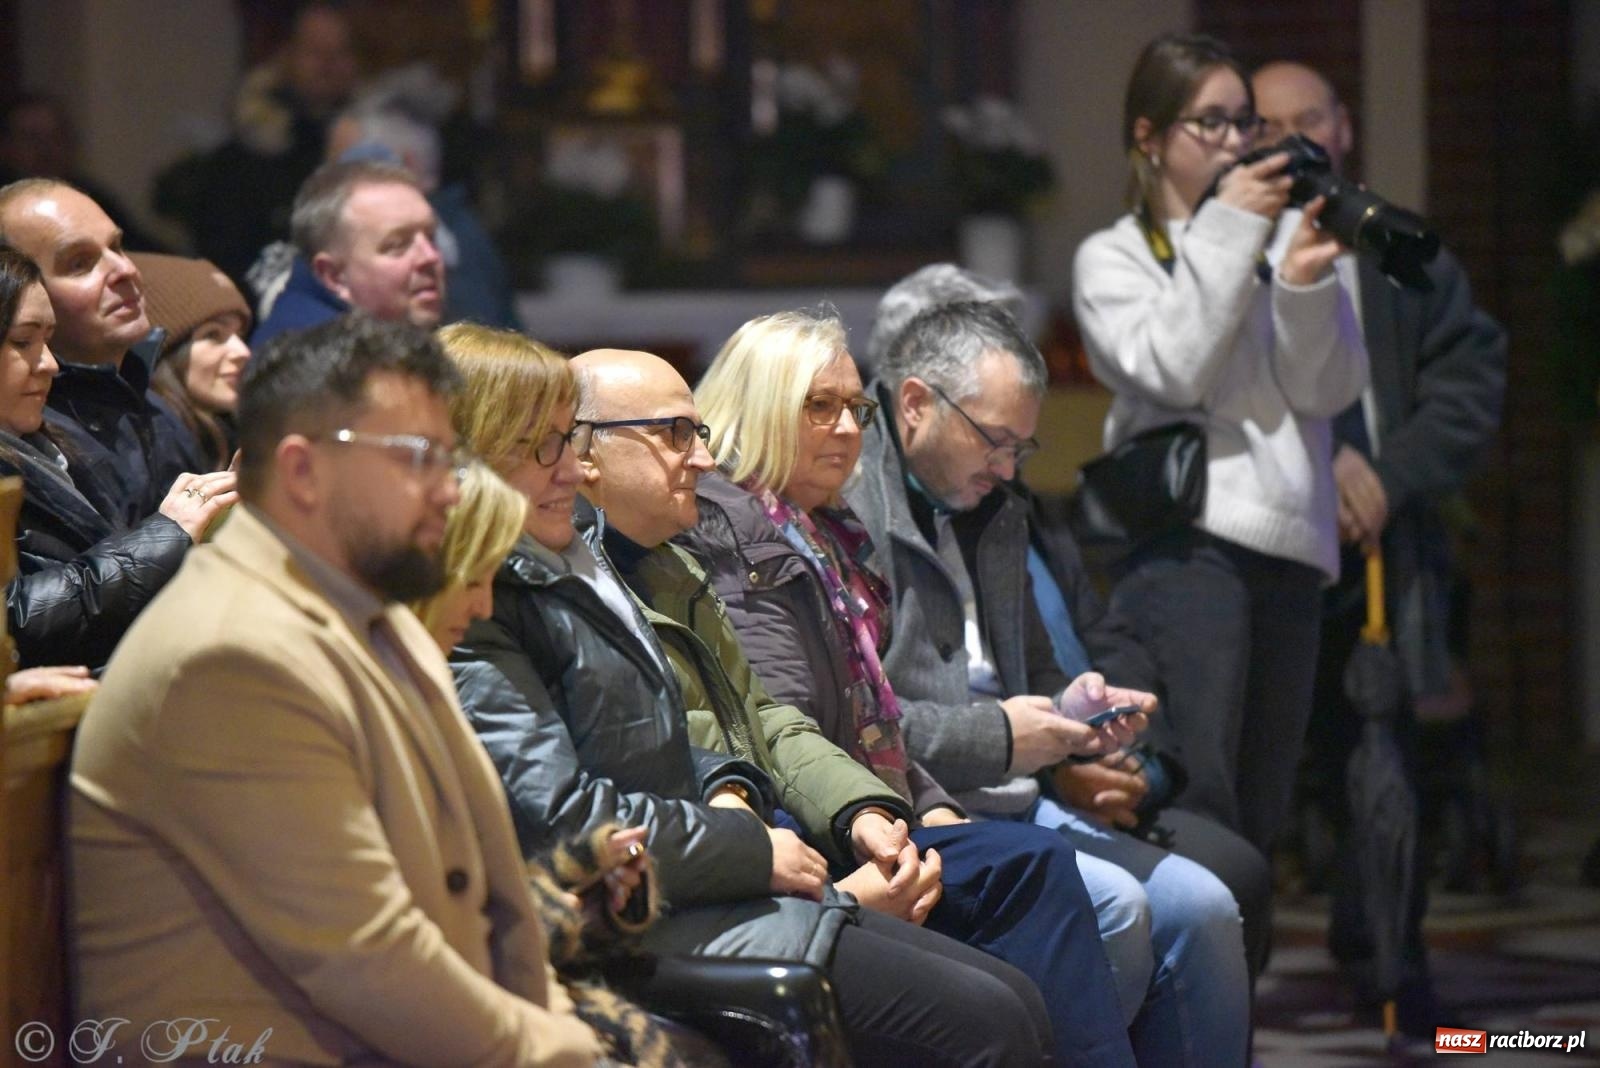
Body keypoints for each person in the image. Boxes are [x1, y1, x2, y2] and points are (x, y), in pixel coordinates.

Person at [443, 323, 1055, 1067]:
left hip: (707, 863)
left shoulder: (598, 563)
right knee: (990, 1012)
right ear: (471, 457)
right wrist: (751, 843)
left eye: (854, 408)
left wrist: (860, 804)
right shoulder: (493, 596)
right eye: (545, 444)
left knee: (1014, 989)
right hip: (648, 908)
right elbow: (564, 818)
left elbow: (717, 727)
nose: (568, 468)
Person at [70, 314, 610, 1067]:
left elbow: (493, 906)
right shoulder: (230, 655)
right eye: (419, 459)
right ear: (303, 472)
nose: (450, 493)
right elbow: (366, 959)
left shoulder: (375, 612)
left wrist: (563, 1031)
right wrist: (559, 1053)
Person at [683, 307, 1167, 1066]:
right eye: (819, 406)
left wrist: (932, 799)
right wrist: (898, 813)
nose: (847, 428)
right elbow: (793, 727)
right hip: (817, 830)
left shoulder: (823, 530)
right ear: (761, 404)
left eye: (854, 408)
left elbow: (866, 711)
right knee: (1038, 879)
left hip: (874, 806)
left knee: (1064, 891)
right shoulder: (736, 535)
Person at [843, 300, 1252, 1063]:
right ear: (914, 404)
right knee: (1121, 910)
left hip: (1016, 790)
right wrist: (1005, 738)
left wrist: (1079, 714)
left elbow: (1033, 670)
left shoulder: (995, 504)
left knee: (1204, 907)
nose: (1006, 467)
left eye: (1020, 449)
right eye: (994, 441)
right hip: (924, 805)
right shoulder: (851, 508)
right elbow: (867, 722)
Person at [1253, 58, 1507, 1028]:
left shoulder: (1397, 245)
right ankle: (1225, 978)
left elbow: (1469, 382)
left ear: (1343, 127)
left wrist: (1385, 477)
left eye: (1309, 119)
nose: (1295, 141)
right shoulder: (1229, 250)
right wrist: (1326, 466)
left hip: (1381, 553)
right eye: (1271, 126)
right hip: (1267, 550)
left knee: (1384, 759)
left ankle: (1391, 967)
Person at [1072, 32, 1367, 856]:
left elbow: (1329, 391)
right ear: (1149, 135)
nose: (1236, 143)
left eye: (1245, 123)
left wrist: (1307, 285)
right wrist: (1233, 235)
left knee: (1263, 811)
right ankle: (1200, 985)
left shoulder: (1284, 236)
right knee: (1204, 805)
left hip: (1294, 544)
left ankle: (1244, 986)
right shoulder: (1116, 255)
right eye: (1210, 123)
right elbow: (1174, 368)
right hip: (1187, 549)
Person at [0, 245, 234, 669]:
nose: (50, 364)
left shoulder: (49, 444)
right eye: (22, 341)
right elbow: (11, 618)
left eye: (47, 341)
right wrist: (166, 534)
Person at [0, 179, 210, 525]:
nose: (125, 270)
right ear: (22, 292)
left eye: (118, 246)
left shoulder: (152, 400)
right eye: (80, 263)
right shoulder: (33, 433)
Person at [154, 1, 359, 281]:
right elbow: (227, 267)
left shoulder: (379, 135)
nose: (328, 63)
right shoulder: (239, 162)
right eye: (314, 51)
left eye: (340, 52)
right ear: (284, 55)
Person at [251, 159, 446, 347]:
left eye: (431, 237)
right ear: (334, 276)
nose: (430, 256)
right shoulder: (313, 365)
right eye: (397, 245)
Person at [133, 252, 253, 471]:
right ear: (167, 351)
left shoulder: (219, 435)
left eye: (240, 335)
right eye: (212, 335)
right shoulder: (157, 443)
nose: (242, 352)